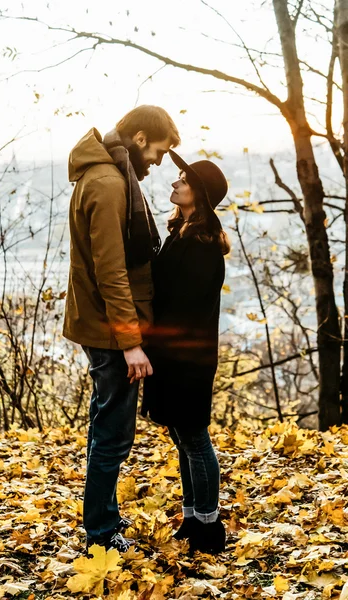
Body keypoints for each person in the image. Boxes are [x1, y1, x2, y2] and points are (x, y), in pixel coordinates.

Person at [62, 106, 180, 553]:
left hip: (99, 323)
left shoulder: (102, 174)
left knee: (103, 424)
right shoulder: (110, 185)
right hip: (111, 331)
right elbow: (111, 272)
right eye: (158, 150)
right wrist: (131, 343)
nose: (158, 161)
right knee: (114, 433)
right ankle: (101, 534)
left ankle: (103, 516)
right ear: (138, 136)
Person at [141, 149, 230, 555]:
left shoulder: (203, 245)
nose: (175, 183)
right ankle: (193, 517)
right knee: (182, 438)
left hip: (187, 359)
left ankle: (210, 527)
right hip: (170, 354)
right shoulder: (182, 233)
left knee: (194, 439)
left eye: (184, 179)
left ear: (201, 194)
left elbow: (182, 302)